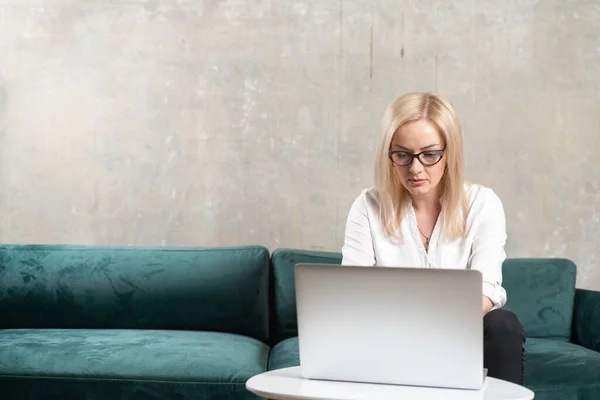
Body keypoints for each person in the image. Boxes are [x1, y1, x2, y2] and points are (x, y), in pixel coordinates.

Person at [341, 92, 525, 385]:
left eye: (429, 154)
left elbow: (488, 288)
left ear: (449, 153)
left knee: (503, 324)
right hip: (388, 334)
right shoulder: (368, 206)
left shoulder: (483, 204)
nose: (415, 168)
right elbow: (350, 290)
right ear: (389, 156)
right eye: (402, 155)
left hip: (458, 330)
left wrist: (437, 326)